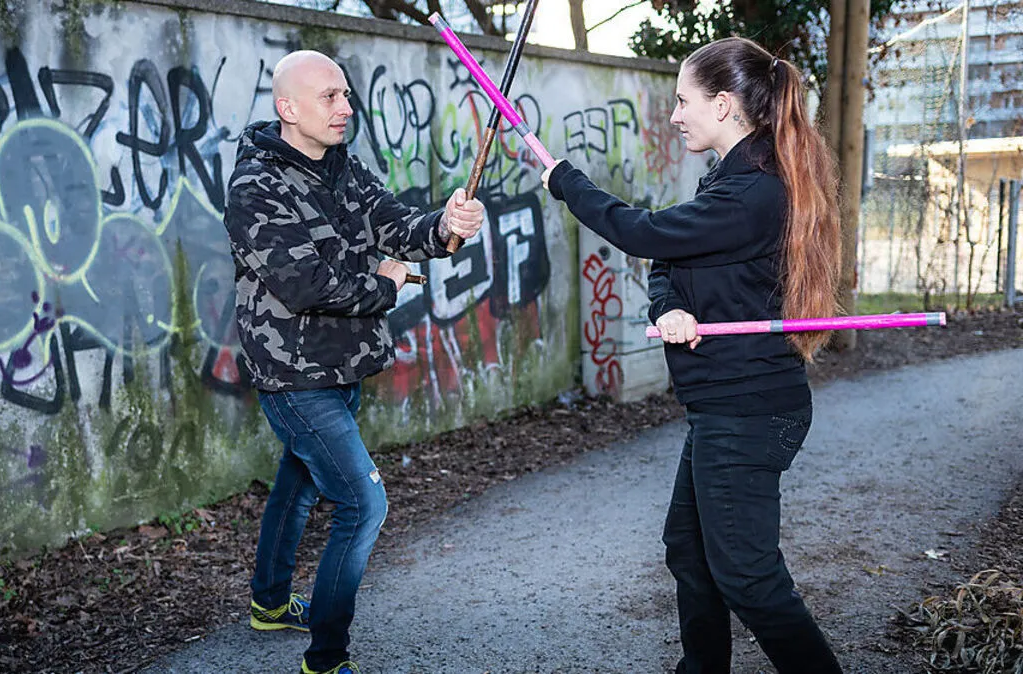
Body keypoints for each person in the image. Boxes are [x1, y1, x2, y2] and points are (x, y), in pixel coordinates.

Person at [542, 37, 844, 673]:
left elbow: (645, 232)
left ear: (725, 105)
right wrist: (668, 309)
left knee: (749, 579)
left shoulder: (755, 193)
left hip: (749, 411)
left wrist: (569, 183)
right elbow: (666, 259)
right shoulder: (729, 178)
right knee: (690, 549)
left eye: (684, 101)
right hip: (722, 408)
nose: (676, 114)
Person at [224, 50, 485, 674]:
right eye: (330, 97)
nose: (346, 107)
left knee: (299, 482)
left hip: (342, 363)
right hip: (293, 374)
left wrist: (446, 224)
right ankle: (326, 657)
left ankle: (268, 603)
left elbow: (396, 225)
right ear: (288, 109)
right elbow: (305, 285)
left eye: (345, 94)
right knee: (363, 504)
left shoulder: (342, 165)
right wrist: (388, 286)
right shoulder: (255, 187)